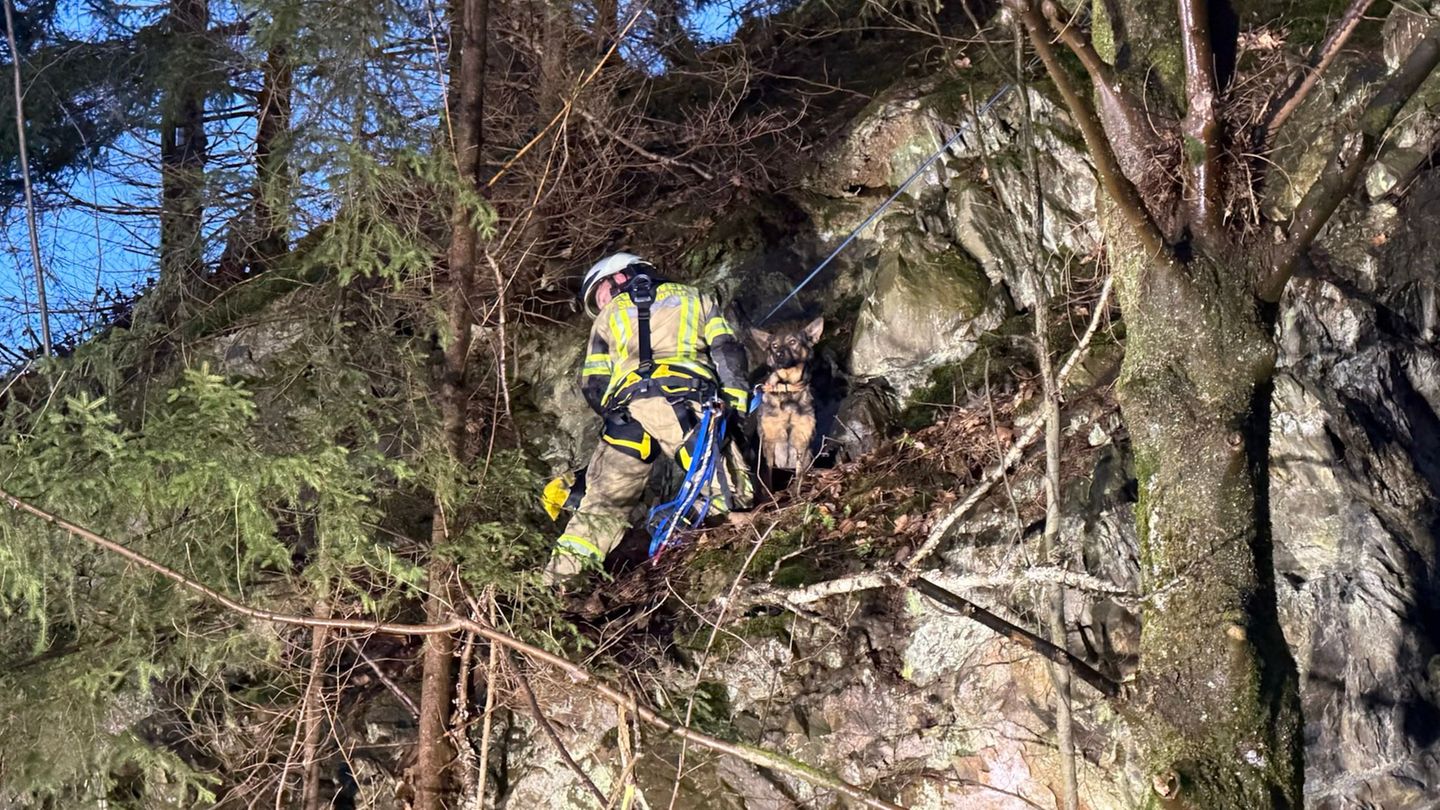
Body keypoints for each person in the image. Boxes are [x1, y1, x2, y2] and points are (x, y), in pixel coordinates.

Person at [543, 252, 751, 584]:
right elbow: (727, 350)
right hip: (686, 403)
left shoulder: (606, 319)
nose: (605, 301)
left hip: (625, 415)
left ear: (622, 277)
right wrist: (736, 405)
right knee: (732, 492)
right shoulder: (696, 297)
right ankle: (675, 543)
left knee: (600, 508)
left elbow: (593, 383)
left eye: (602, 293)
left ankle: (556, 586)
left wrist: (618, 420)